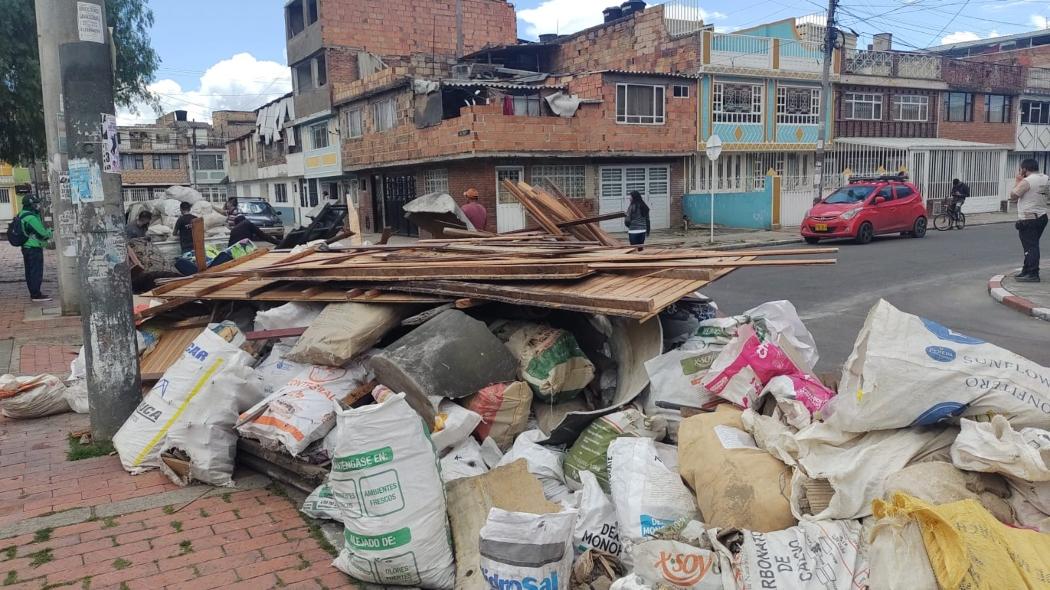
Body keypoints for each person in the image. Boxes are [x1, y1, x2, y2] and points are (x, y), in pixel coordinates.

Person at [1008, 158, 1049, 283]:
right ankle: (1026, 270)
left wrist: (1017, 181)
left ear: (1024, 169)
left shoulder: (1027, 181)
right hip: (1042, 216)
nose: (1020, 171)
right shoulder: (1046, 178)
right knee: (1032, 245)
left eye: (1021, 169)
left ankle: (1032, 273)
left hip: (1029, 218)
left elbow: (1013, 195)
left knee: (1030, 247)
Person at [15, 196, 53, 302]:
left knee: (29, 271)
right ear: (31, 205)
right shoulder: (31, 218)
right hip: (33, 247)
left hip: (26, 247)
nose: (38, 206)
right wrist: (50, 231)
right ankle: (36, 294)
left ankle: (33, 292)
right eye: (36, 204)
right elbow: (43, 233)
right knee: (36, 271)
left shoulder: (21, 214)